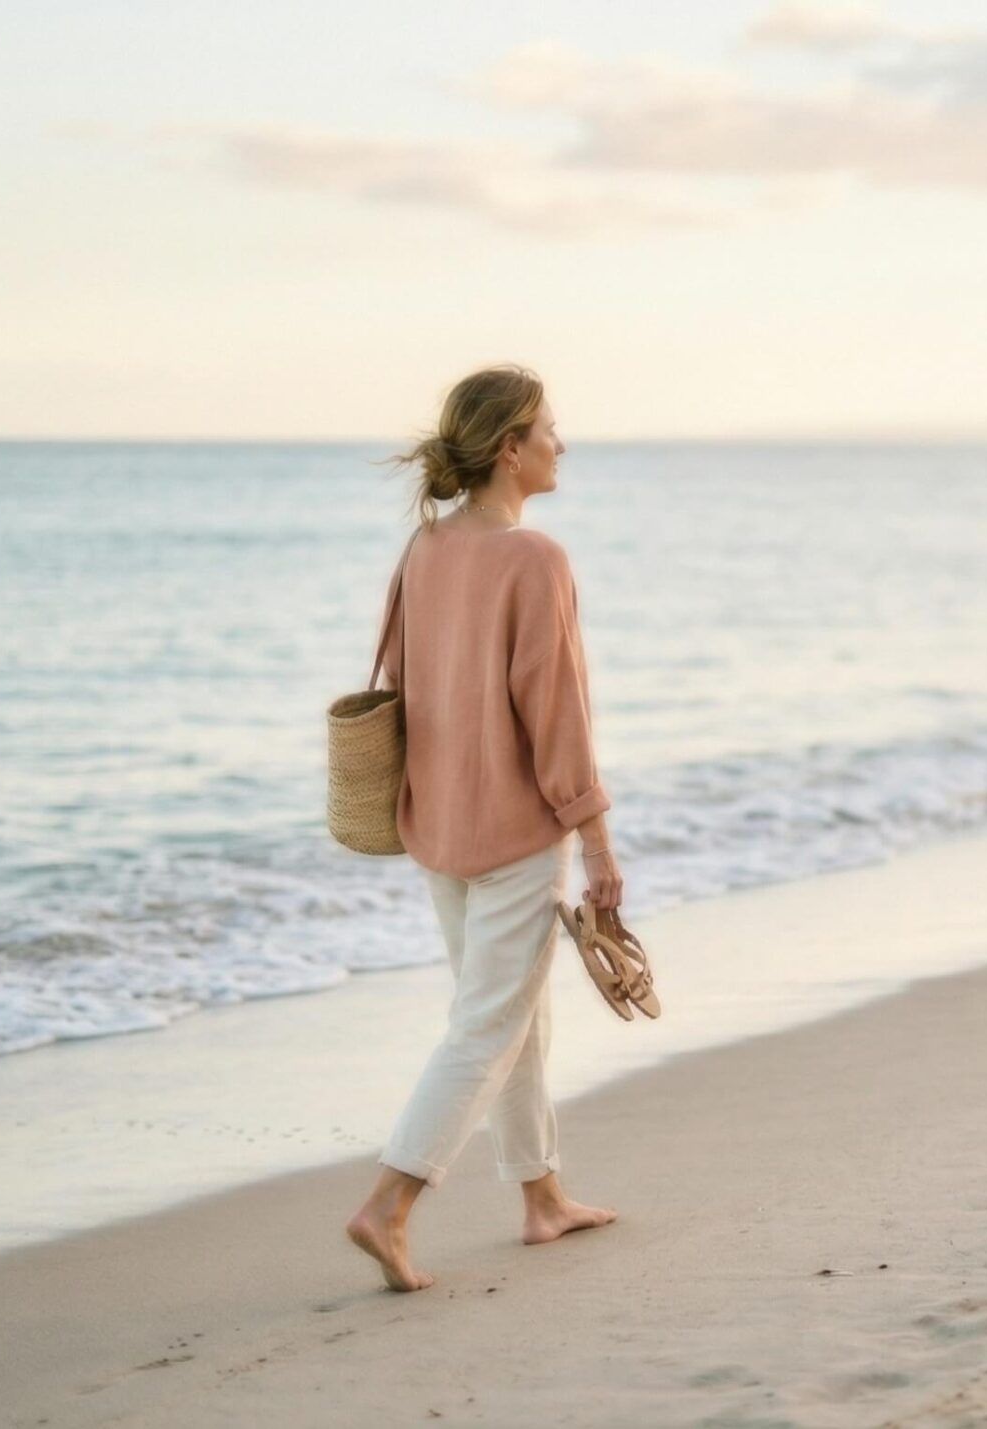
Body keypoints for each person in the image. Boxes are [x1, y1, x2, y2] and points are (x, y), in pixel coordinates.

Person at [344, 364, 623, 1292]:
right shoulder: (533, 559)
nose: (560, 445)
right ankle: (388, 1205)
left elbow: (404, 677)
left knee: (512, 1018)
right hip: (512, 834)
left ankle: (542, 1197)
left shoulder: (426, 548)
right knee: (487, 1027)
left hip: (438, 829)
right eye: (548, 429)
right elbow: (559, 713)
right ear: (511, 449)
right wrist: (596, 842)